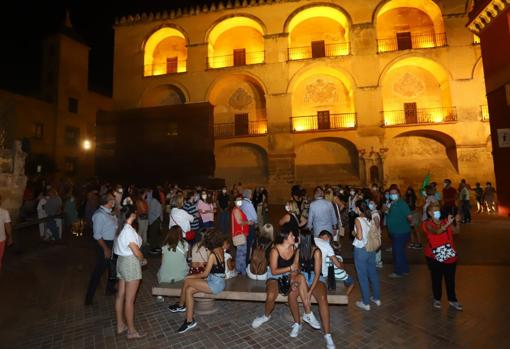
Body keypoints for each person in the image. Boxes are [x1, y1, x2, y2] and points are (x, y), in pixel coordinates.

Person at [251, 229, 321, 338]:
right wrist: (290, 268)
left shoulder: (295, 249)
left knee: (301, 278)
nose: (294, 237)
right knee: (270, 296)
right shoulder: (275, 250)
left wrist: (293, 279)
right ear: (285, 238)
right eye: (292, 235)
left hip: (289, 276)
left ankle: (307, 314)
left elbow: (297, 268)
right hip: (274, 277)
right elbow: (274, 271)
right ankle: (265, 316)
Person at [168, 230, 230, 333]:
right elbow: (214, 270)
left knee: (187, 281)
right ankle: (189, 321)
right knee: (189, 291)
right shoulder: (220, 249)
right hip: (217, 281)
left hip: (215, 284)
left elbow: (204, 274)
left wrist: (190, 277)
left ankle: (180, 305)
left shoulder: (212, 255)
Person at [299, 230, 336, 349]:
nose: (298, 240)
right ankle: (305, 316)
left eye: (300, 238)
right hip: (302, 277)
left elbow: (317, 273)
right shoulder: (299, 249)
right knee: (294, 291)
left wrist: (310, 291)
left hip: (316, 278)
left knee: (323, 298)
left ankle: (327, 335)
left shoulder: (316, 252)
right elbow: (295, 268)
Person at [421, 203, 462, 311]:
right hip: (434, 256)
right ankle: (437, 299)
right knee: (436, 278)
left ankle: (452, 300)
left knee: (450, 279)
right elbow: (436, 231)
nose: (437, 212)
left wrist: (457, 221)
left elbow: (457, 231)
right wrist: (447, 224)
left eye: (438, 210)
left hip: (449, 255)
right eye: (434, 210)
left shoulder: (444, 221)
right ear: (429, 213)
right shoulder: (427, 224)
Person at [113, 205, 146, 339]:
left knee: (121, 295)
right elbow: (136, 251)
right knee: (129, 299)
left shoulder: (120, 227)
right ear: (133, 214)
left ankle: (120, 325)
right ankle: (131, 331)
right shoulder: (128, 230)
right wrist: (143, 259)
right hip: (130, 263)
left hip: (121, 261)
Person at [85, 193, 118, 305]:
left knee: (113, 268)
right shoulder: (100, 215)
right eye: (112, 199)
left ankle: (110, 288)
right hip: (103, 244)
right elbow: (97, 235)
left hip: (111, 243)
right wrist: (105, 248)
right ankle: (89, 298)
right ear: (106, 201)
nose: (114, 201)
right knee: (98, 271)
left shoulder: (109, 212)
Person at [353, 200, 381, 311]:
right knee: (373, 273)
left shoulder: (358, 219)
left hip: (361, 250)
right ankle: (376, 298)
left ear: (358, 208)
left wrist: (354, 232)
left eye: (355, 207)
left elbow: (359, 237)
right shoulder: (370, 217)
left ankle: (366, 302)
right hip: (371, 249)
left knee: (362, 276)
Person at [386, 187, 412, 278]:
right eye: (391, 193)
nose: (393, 195)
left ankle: (398, 272)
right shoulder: (393, 203)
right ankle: (405, 270)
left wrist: (402, 223)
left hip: (400, 232)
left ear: (398, 194)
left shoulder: (401, 203)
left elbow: (409, 217)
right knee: (401, 252)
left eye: (395, 193)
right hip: (395, 232)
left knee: (397, 252)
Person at [231, 195, 251, 275]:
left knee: (240, 253)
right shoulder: (236, 210)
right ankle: (241, 271)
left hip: (241, 234)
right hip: (239, 234)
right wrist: (248, 222)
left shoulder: (239, 209)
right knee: (242, 254)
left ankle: (239, 269)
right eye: (238, 200)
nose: (240, 201)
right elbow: (239, 222)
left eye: (241, 200)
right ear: (235, 202)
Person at [241, 189, 257, 266]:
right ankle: (248, 262)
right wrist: (256, 222)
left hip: (244, 225)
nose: (252, 195)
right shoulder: (249, 204)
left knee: (245, 243)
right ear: (248, 195)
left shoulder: (242, 202)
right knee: (250, 244)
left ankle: (244, 260)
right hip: (250, 225)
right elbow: (254, 216)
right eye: (251, 194)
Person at [368, 200, 383, 268]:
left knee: (376, 248)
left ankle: (378, 262)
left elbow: (377, 225)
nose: (370, 205)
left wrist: (375, 233)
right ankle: (376, 261)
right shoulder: (372, 212)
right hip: (374, 233)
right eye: (369, 203)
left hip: (375, 234)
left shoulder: (375, 214)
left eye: (372, 203)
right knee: (375, 247)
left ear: (376, 205)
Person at [148, 188, 162, 254]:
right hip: (154, 219)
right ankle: (152, 248)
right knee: (153, 234)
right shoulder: (154, 201)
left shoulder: (155, 200)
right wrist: (158, 216)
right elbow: (152, 211)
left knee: (156, 234)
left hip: (156, 219)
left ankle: (155, 247)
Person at [0, 195, 12, 271]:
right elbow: (8, 227)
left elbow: (8, 226)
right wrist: (10, 237)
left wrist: (10, 237)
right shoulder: (4, 212)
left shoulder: (4, 212)